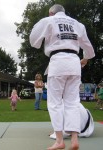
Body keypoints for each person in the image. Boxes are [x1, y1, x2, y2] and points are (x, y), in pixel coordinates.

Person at [29, 4, 95, 150]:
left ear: (51, 13)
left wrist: (43, 38)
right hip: (74, 63)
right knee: (72, 102)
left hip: (58, 62)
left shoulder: (49, 20)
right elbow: (89, 49)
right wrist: (85, 58)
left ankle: (59, 140)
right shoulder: (78, 24)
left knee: (55, 103)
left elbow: (33, 40)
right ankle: (74, 139)